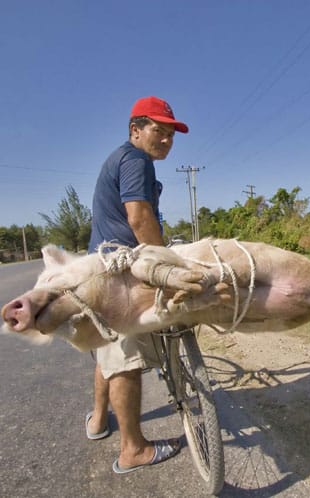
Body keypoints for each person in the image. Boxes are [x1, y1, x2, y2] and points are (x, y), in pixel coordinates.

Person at [85, 96, 189, 474]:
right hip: (117, 274)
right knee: (125, 360)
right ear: (136, 130)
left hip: (100, 266)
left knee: (107, 349)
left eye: (171, 134)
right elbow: (139, 216)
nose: (166, 140)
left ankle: (98, 419)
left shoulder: (123, 159)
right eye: (158, 131)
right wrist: (169, 264)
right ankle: (133, 450)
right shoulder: (135, 159)